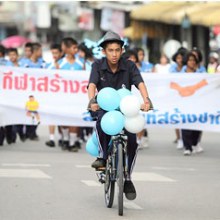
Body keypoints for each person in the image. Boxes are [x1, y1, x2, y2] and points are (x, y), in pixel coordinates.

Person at [87, 31, 151, 200]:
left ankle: (128, 178)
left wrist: (146, 100)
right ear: (104, 51)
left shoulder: (129, 66)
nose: (114, 54)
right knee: (101, 123)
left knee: (132, 142)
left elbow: (140, 83)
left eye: (117, 50)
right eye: (110, 50)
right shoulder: (97, 66)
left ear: (122, 50)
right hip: (105, 109)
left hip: (125, 109)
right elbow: (91, 85)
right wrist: (92, 101)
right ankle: (102, 157)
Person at [58, 37, 83, 152]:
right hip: (63, 96)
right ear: (67, 49)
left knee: (74, 117)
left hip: (76, 96)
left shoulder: (81, 63)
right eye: (73, 48)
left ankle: (72, 142)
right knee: (64, 119)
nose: (76, 50)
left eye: (76, 47)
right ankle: (65, 138)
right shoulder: (60, 63)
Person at [45, 44, 63, 147]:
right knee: (51, 116)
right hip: (52, 96)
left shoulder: (64, 64)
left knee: (61, 117)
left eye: (56, 53)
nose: (54, 55)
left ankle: (61, 137)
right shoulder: (49, 66)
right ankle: (51, 138)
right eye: (53, 53)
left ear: (61, 53)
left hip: (63, 96)